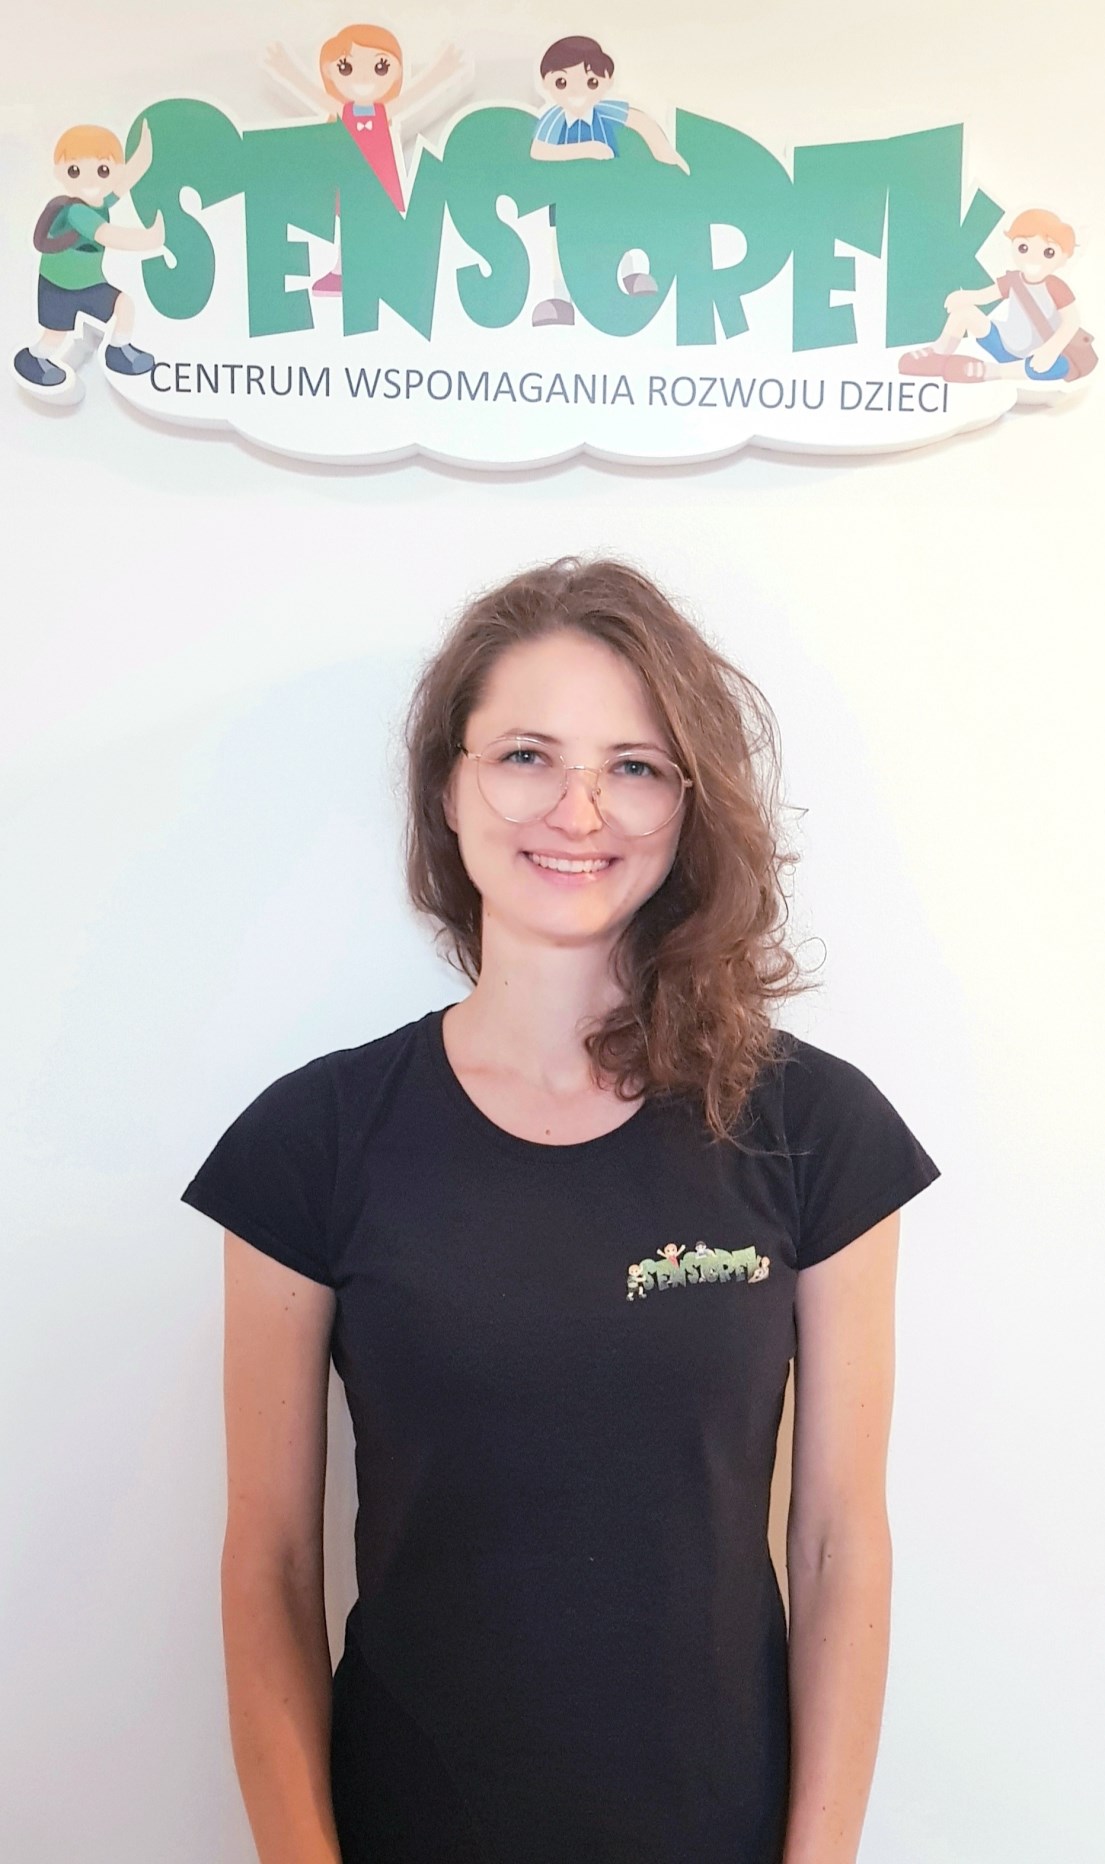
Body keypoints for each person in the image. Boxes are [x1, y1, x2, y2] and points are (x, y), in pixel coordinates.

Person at [181, 556, 941, 1864]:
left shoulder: (813, 1130)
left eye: (633, 766)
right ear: (448, 786)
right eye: (526, 755)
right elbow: (269, 1565)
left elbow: (836, 1546)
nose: (578, 809)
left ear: (688, 805)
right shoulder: (310, 1145)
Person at [263, 23, 470, 296]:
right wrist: (287, 71)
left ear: (396, 73)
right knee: (348, 224)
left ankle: (385, 268)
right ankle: (342, 271)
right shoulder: (344, 112)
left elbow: (413, 97)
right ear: (329, 71)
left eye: (380, 67)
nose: (362, 78)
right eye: (346, 67)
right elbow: (316, 97)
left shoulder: (383, 113)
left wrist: (441, 72)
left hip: (379, 178)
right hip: (350, 177)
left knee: (379, 223)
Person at [529, 35, 689, 327]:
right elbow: (539, 151)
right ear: (547, 83)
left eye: (590, 82)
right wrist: (586, 150)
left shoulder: (606, 111)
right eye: (563, 82)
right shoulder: (553, 119)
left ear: (606, 81)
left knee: (618, 232)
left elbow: (641, 122)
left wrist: (665, 152)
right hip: (568, 201)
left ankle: (629, 274)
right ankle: (561, 299)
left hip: (607, 193)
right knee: (562, 245)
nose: (576, 92)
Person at [13, 120, 165, 396]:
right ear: (59, 172)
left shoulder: (100, 202)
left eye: (103, 170)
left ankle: (119, 351)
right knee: (55, 335)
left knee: (123, 305)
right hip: (59, 285)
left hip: (90, 283)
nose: (90, 181)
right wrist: (150, 239)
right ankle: (34, 359)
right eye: (75, 171)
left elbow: (127, 178)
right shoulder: (77, 212)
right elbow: (107, 235)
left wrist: (144, 152)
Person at [897, 208, 1083, 384]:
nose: (1033, 258)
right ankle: (939, 352)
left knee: (1060, 366)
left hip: (1034, 356)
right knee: (964, 313)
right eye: (1023, 248)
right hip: (1002, 343)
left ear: (1064, 258)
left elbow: (1072, 322)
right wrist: (963, 297)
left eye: (1048, 252)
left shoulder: (1056, 287)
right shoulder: (1013, 280)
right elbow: (983, 296)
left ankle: (992, 371)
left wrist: (1051, 349)